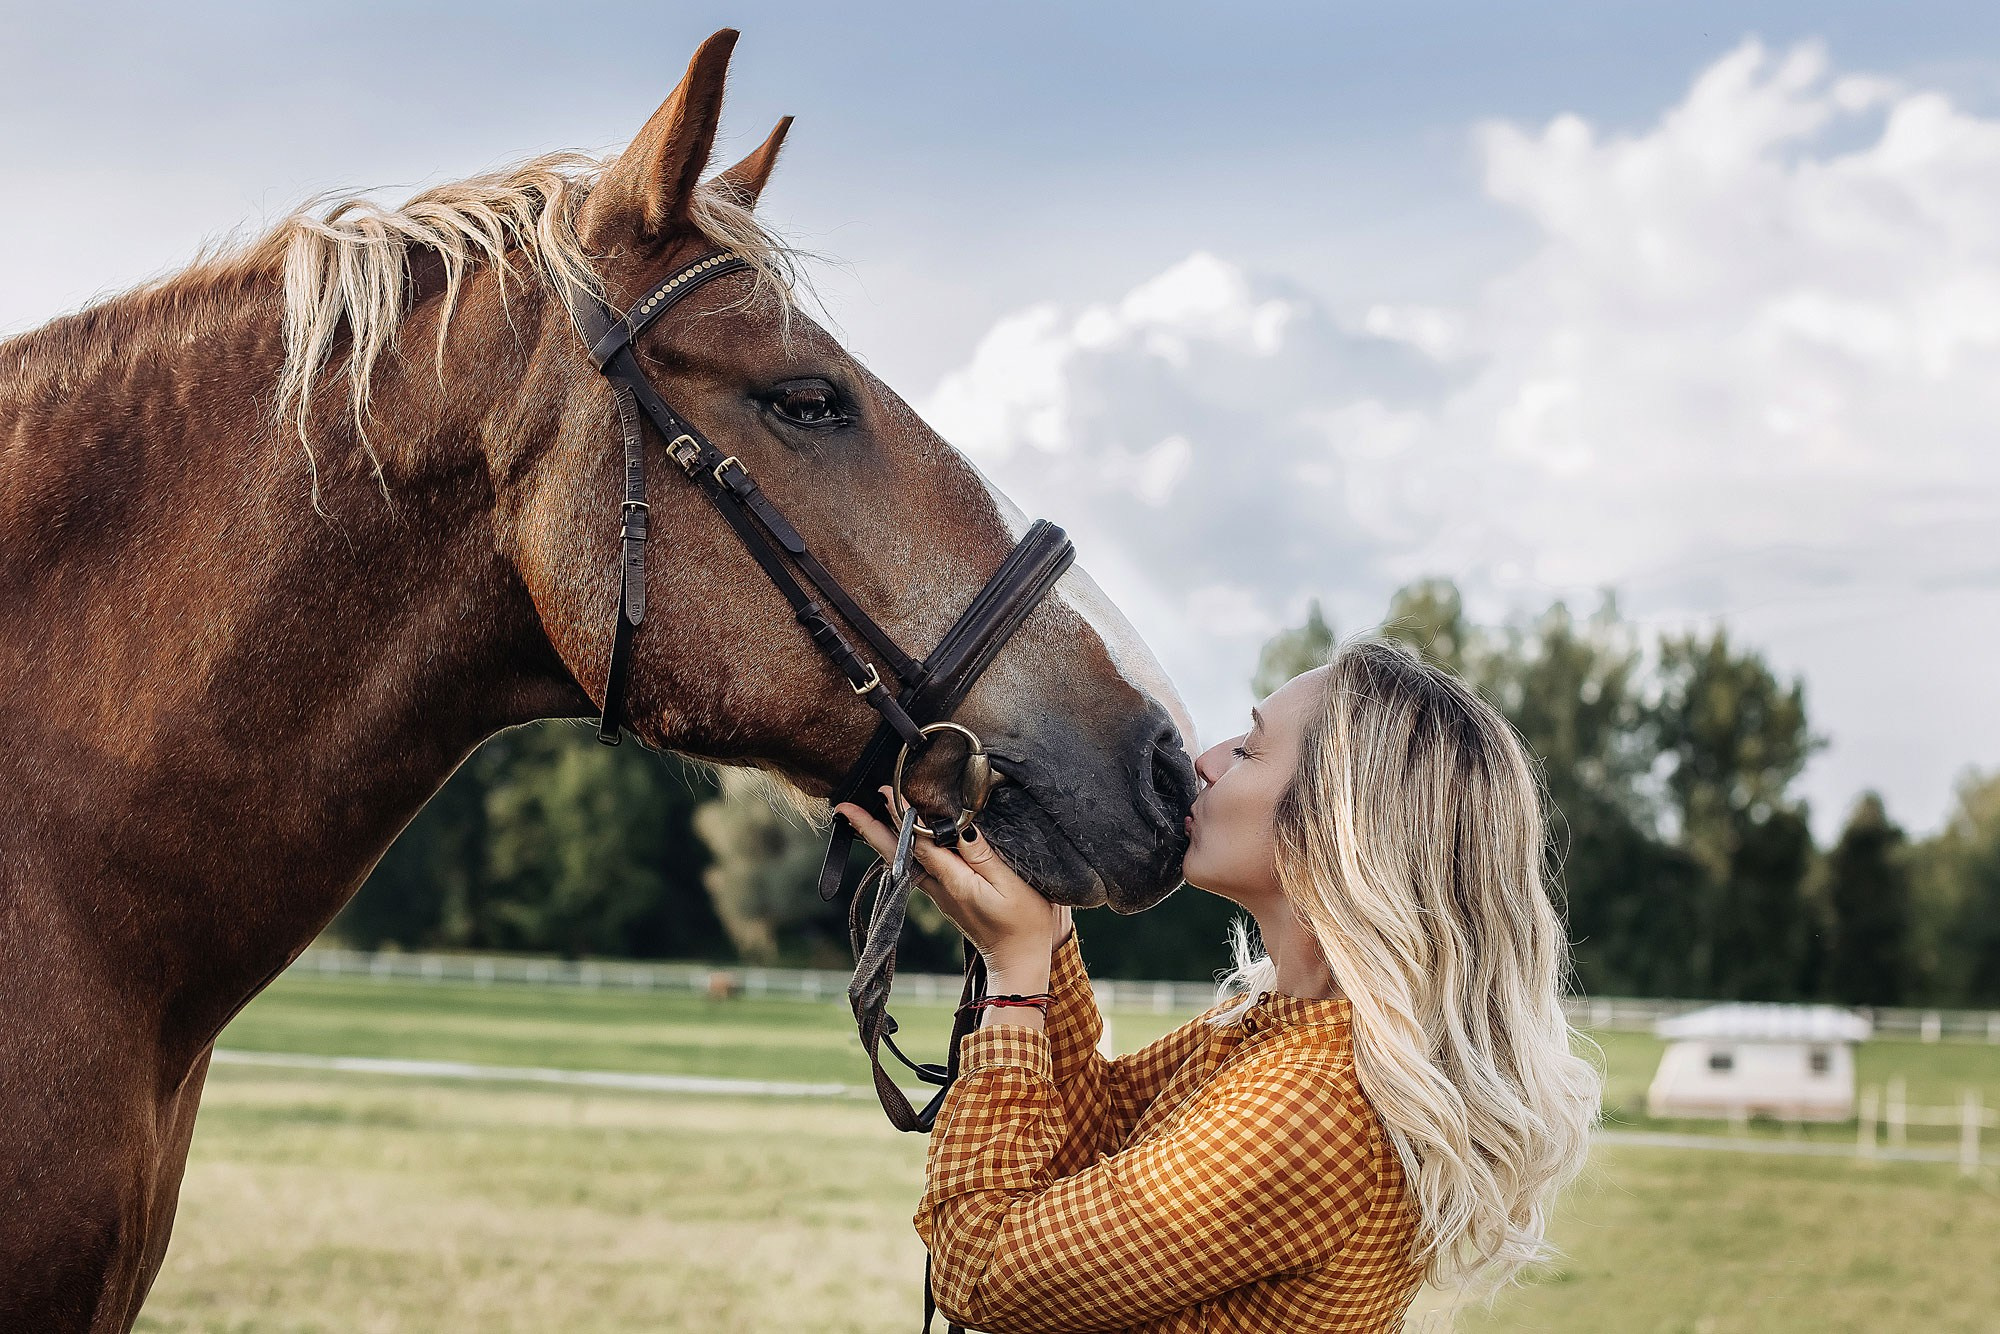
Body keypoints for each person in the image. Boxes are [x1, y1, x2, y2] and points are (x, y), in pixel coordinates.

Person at [836, 637, 1601, 1333]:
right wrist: (1047, 927)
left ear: (1336, 827)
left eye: (1252, 749)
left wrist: (1013, 980)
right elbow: (1095, 1140)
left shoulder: (1313, 1106)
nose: (1206, 759)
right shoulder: (1280, 1030)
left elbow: (984, 1272)